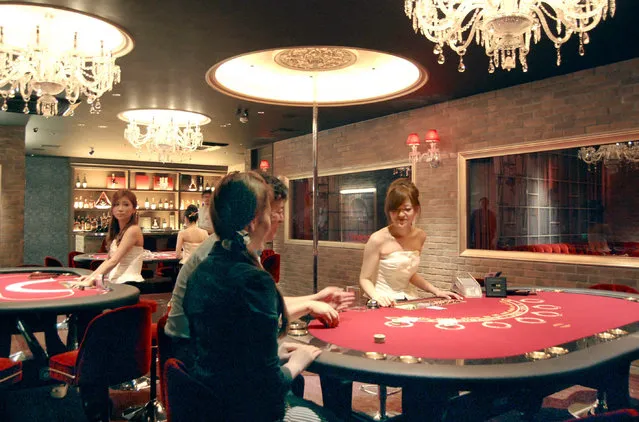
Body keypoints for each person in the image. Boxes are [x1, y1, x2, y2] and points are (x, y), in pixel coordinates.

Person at [182, 171, 335, 422]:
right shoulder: (253, 280)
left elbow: (227, 351)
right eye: (270, 211)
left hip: (209, 404)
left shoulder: (202, 270)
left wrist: (275, 356)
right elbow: (267, 388)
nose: (276, 217)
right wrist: (298, 361)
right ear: (253, 221)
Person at [165, 173, 353, 359]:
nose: (281, 218)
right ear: (256, 214)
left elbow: (265, 302)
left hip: (205, 348)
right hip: (191, 351)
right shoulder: (233, 253)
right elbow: (260, 312)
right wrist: (311, 306)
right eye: (277, 211)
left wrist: (316, 299)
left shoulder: (233, 244)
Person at [359, 179, 461, 307]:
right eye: (395, 210)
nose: (401, 214)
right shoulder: (377, 239)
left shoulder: (420, 236)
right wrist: (377, 297)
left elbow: (409, 275)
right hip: (383, 302)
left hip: (409, 300)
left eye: (407, 209)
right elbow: (364, 279)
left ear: (416, 209)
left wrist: (436, 291)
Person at [72, 189, 144, 287]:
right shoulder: (118, 231)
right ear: (112, 209)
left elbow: (114, 261)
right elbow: (108, 260)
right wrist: (90, 277)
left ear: (134, 209)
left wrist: (93, 279)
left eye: (126, 205)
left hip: (129, 283)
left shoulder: (133, 230)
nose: (120, 209)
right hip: (117, 281)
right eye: (116, 204)